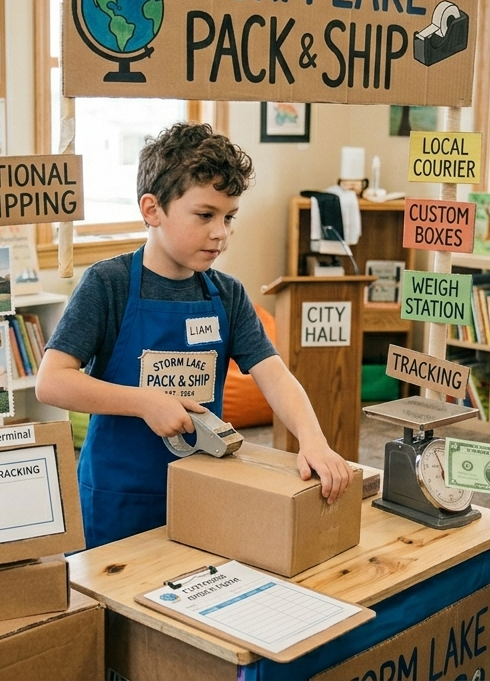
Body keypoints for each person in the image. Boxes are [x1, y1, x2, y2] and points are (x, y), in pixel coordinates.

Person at [36, 122, 352, 549]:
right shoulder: (106, 285)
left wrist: (313, 440)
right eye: (205, 215)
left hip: (205, 487)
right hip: (118, 497)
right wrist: (146, 402)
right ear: (152, 210)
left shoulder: (228, 294)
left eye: (229, 217)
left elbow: (274, 375)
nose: (221, 232)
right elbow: (52, 381)